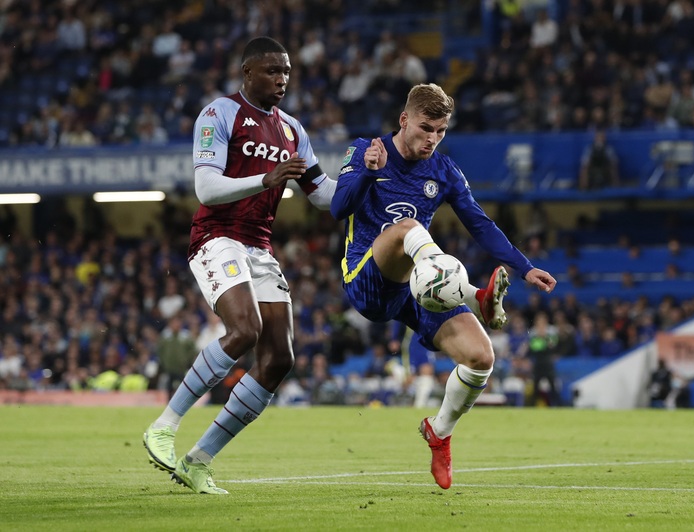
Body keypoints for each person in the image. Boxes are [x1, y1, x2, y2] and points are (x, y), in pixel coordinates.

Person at [330, 83, 556, 490]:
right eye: (425, 128)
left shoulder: (444, 171)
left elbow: (479, 223)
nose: (432, 139)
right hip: (367, 282)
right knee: (408, 229)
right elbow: (337, 208)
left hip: (417, 283)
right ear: (404, 120)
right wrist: (367, 171)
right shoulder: (367, 149)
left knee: (480, 357)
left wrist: (523, 268)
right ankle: (474, 295)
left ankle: (440, 431)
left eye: (441, 130)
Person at [143, 37, 336, 495]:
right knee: (244, 331)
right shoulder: (219, 114)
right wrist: (265, 178)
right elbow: (207, 189)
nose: (282, 79)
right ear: (247, 72)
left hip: (259, 248)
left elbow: (325, 196)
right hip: (217, 236)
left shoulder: (292, 130)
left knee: (278, 359)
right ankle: (164, 426)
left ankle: (198, 459)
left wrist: (367, 176)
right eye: (272, 70)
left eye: (286, 71)